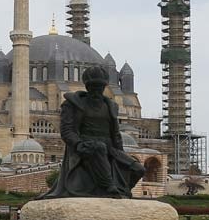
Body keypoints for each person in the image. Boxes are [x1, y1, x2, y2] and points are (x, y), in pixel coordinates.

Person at [38, 65, 145, 199]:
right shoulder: (72, 104)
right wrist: (78, 143)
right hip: (85, 145)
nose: (96, 90)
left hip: (109, 147)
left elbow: (115, 133)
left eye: (99, 87)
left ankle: (122, 190)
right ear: (87, 87)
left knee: (138, 169)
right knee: (99, 148)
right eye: (93, 87)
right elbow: (66, 130)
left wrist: (120, 154)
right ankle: (109, 188)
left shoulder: (111, 106)